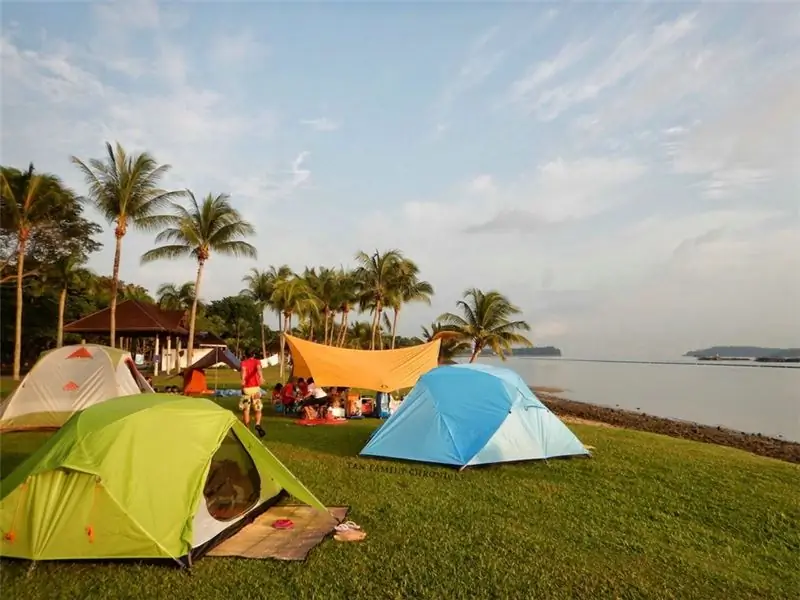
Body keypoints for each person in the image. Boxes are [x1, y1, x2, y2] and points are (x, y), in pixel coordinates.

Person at [239, 351, 265, 438]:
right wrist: (261, 376)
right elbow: (258, 368)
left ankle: (247, 429)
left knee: (246, 410)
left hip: (246, 389)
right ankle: (257, 423)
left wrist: (243, 379)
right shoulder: (257, 361)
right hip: (255, 389)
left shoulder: (243, 363)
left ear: (245, 355)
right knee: (258, 409)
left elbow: (243, 371)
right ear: (253, 355)